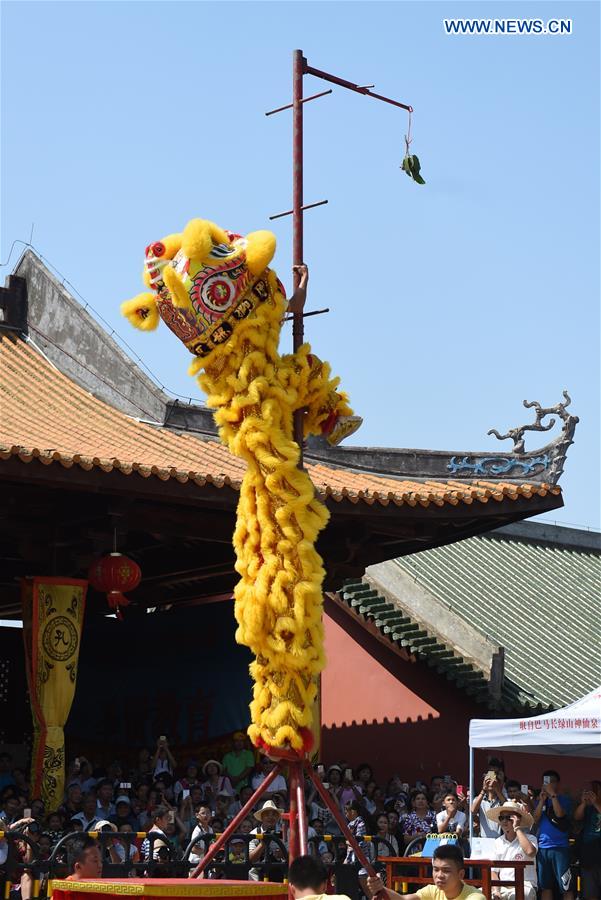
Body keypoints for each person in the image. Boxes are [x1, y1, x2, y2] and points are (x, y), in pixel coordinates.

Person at [367, 844, 487, 900]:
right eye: (436, 869)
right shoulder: (432, 890)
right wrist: (380, 887)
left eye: (446, 871)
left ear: (461, 874)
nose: (439, 875)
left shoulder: (475, 897)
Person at [533, 769, 573, 900]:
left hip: (560, 848)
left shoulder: (564, 800)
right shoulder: (540, 800)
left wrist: (553, 796)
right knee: (545, 886)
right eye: (546, 782)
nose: (549, 784)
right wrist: (541, 801)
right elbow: (535, 819)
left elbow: (560, 814)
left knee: (566, 886)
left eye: (552, 781)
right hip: (543, 848)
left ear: (558, 784)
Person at [487, 800, 538, 900]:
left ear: (517, 819)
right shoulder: (497, 842)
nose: (504, 821)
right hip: (502, 887)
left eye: (508, 817)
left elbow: (530, 852)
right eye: (502, 818)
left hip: (524, 885)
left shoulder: (531, 838)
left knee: (519, 895)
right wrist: (496, 891)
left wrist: (517, 828)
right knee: (479, 895)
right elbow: (494, 872)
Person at [573, 780, 601, 900]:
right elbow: (577, 817)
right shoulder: (587, 808)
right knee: (590, 892)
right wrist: (584, 803)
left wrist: (596, 803)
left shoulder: (596, 805)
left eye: (595, 791)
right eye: (589, 791)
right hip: (588, 855)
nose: (591, 794)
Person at [248, 800, 286, 881]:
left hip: (278, 871)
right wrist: (262, 844)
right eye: (267, 814)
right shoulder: (254, 833)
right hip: (258, 872)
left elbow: (292, 856)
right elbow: (250, 859)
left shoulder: (283, 833)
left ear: (277, 817)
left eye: (274, 814)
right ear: (261, 817)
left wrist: (283, 854)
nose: (270, 817)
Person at [471, 770, 505, 837]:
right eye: (487, 780)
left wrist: (497, 789)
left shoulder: (502, 799)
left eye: (493, 780)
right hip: (484, 838)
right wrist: (483, 789)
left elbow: (507, 807)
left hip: (501, 839)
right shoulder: (479, 799)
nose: (490, 783)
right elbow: (472, 811)